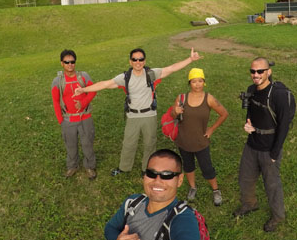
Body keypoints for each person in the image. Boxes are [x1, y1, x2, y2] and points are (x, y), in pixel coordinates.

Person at [75, 48, 202, 176]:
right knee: (128, 144)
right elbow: (105, 84)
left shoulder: (151, 74)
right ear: (130, 62)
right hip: (133, 116)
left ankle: (146, 169)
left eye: (141, 59)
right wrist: (84, 90)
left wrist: (190, 59)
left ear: (144, 61)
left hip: (149, 115)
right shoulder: (125, 77)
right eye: (135, 59)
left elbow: (172, 68)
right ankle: (124, 167)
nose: (138, 62)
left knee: (149, 144)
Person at [105, 149, 200, 240]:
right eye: (151, 173)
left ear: (180, 180)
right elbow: (110, 228)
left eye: (167, 175)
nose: (157, 180)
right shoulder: (133, 204)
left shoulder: (182, 219)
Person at [233, 57, 294, 232]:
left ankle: (278, 216)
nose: (256, 74)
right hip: (252, 144)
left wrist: (275, 153)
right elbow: (251, 112)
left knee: (272, 184)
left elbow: (283, 126)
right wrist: (248, 123)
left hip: (269, 148)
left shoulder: (279, 95)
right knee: (245, 178)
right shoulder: (251, 89)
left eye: (260, 71)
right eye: (253, 71)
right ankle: (249, 204)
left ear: (269, 72)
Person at [171, 68, 228, 206]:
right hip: (183, 140)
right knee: (188, 166)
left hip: (201, 141)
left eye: (200, 81)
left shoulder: (209, 98)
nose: (197, 84)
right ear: (189, 82)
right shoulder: (181, 98)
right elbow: (173, 116)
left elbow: (224, 113)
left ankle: (215, 190)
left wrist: (212, 129)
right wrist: (175, 111)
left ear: (204, 82)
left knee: (207, 168)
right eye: (194, 81)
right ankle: (192, 187)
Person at [51, 49, 97, 179]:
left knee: (87, 143)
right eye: (67, 62)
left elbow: (93, 91)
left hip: (85, 117)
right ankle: (72, 166)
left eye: (72, 62)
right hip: (68, 120)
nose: (70, 64)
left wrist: (83, 103)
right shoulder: (57, 81)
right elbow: (55, 101)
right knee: (70, 145)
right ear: (62, 63)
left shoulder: (84, 76)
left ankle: (90, 166)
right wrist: (61, 120)